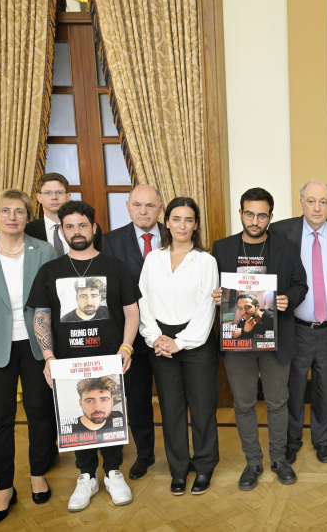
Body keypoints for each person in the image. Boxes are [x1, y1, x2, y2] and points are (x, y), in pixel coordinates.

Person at [28, 200, 140, 512]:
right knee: (80, 419)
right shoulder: (50, 271)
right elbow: (41, 316)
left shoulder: (116, 267)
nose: (76, 231)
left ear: (93, 228)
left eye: (82, 225)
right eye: (69, 226)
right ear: (62, 230)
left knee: (108, 414)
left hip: (110, 359)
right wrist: (49, 357)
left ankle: (114, 471)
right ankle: (87, 476)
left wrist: (126, 347)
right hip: (68, 363)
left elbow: (132, 312)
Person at [0, 189, 57, 524]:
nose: (13, 217)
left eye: (19, 211)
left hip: (35, 345)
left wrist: (51, 353)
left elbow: (51, 302)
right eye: (5, 211)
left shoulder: (43, 250)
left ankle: (37, 474)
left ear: (28, 215)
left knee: (40, 412)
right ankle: (4, 487)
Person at [212, 188, 308, 491]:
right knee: (243, 404)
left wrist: (286, 299)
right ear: (240, 213)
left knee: (278, 402)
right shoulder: (222, 248)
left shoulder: (287, 247)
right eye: (249, 213)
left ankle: (279, 459)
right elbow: (214, 285)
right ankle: (253, 462)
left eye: (262, 214)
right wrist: (216, 294)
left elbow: (300, 285)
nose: (255, 220)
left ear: (270, 216)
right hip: (237, 339)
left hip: (275, 337)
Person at [266, 181, 327, 464]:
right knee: (293, 388)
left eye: (323, 201)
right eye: (311, 201)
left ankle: (322, 440)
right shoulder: (281, 231)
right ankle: (292, 440)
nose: (317, 207)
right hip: (294, 328)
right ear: (301, 202)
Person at [139, 197, 219, 496]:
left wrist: (180, 342)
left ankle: (205, 466)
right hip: (160, 341)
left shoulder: (206, 261)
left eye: (188, 220)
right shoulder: (153, 259)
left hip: (196, 342)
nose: (181, 225)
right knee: (171, 411)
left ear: (196, 224)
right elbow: (143, 300)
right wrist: (155, 337)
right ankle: (179, 469)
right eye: (176, 218)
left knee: (202, 409)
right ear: (167, 222)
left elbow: (205, 308)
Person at [101, 184, 164, 481]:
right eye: (137, 205)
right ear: (128, 207)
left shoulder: (177, 234)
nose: (143, 211)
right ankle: (145, 454)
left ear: (160, 208)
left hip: (169, 336)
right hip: (131, 339)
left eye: (150, 206)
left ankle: (180, 453)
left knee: (173, 398)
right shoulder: (109, 241)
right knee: (138, 400)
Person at [25, 172, 103, 254]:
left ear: (68, 196)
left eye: (59, 192)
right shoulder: (28, 231)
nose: (54, 197)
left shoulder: (90, 229)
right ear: (39, 197)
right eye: (48, 193)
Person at [73, 376, 125, 442]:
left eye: (104, 399)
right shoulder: (71, 429)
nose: (98, 408)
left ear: (111, 401)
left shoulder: (119, 416)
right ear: (81, 403)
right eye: (90, 401)